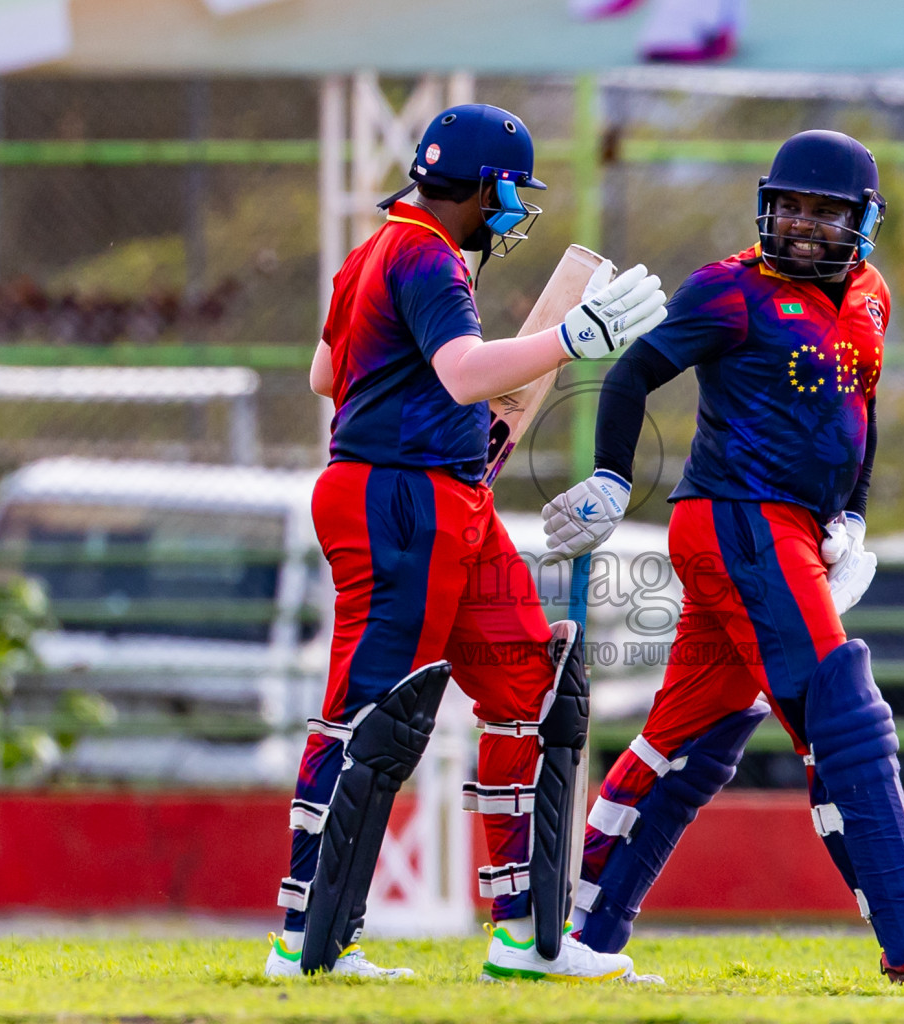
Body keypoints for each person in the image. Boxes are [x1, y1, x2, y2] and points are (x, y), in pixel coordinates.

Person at [542, 130, 904, 981]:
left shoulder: (871, 295)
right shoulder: (731, 289)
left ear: (862, 220)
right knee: (843, 711)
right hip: (741, 517)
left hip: (786, 527)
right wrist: (613, 478)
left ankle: (580, 937)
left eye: (822, 210)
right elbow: (630, 375)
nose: (799, 223)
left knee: (688, 746)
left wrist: (853, 518)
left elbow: (860, 411)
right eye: (788, 206)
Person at [265, 103, 668, 982]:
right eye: (510, 191)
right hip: (399, 499)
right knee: (369, 712)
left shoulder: (374, 251)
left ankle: (523, 937)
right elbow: (458, 374)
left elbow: (327, 374)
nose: (515, 209)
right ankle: (304, 940)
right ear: (481, 187)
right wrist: (572, 338)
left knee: (529, 687)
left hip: (447, 497)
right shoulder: (425, 255)